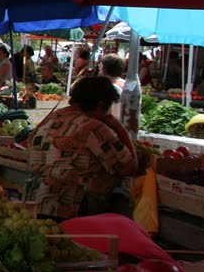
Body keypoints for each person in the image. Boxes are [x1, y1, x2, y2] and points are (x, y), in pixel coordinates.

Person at [28, 76, 138, 219]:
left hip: (32, 202)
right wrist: (119, 128)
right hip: (68, 210)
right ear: (99, 105)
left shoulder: (52, 117)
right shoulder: (94, 128)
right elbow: (130, 167)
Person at [100, 55, 127, 119]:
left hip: (113, 123)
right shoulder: (125, 83)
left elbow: (108, 113)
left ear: (104, 68)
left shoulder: (111, 88)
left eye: (100, 65)